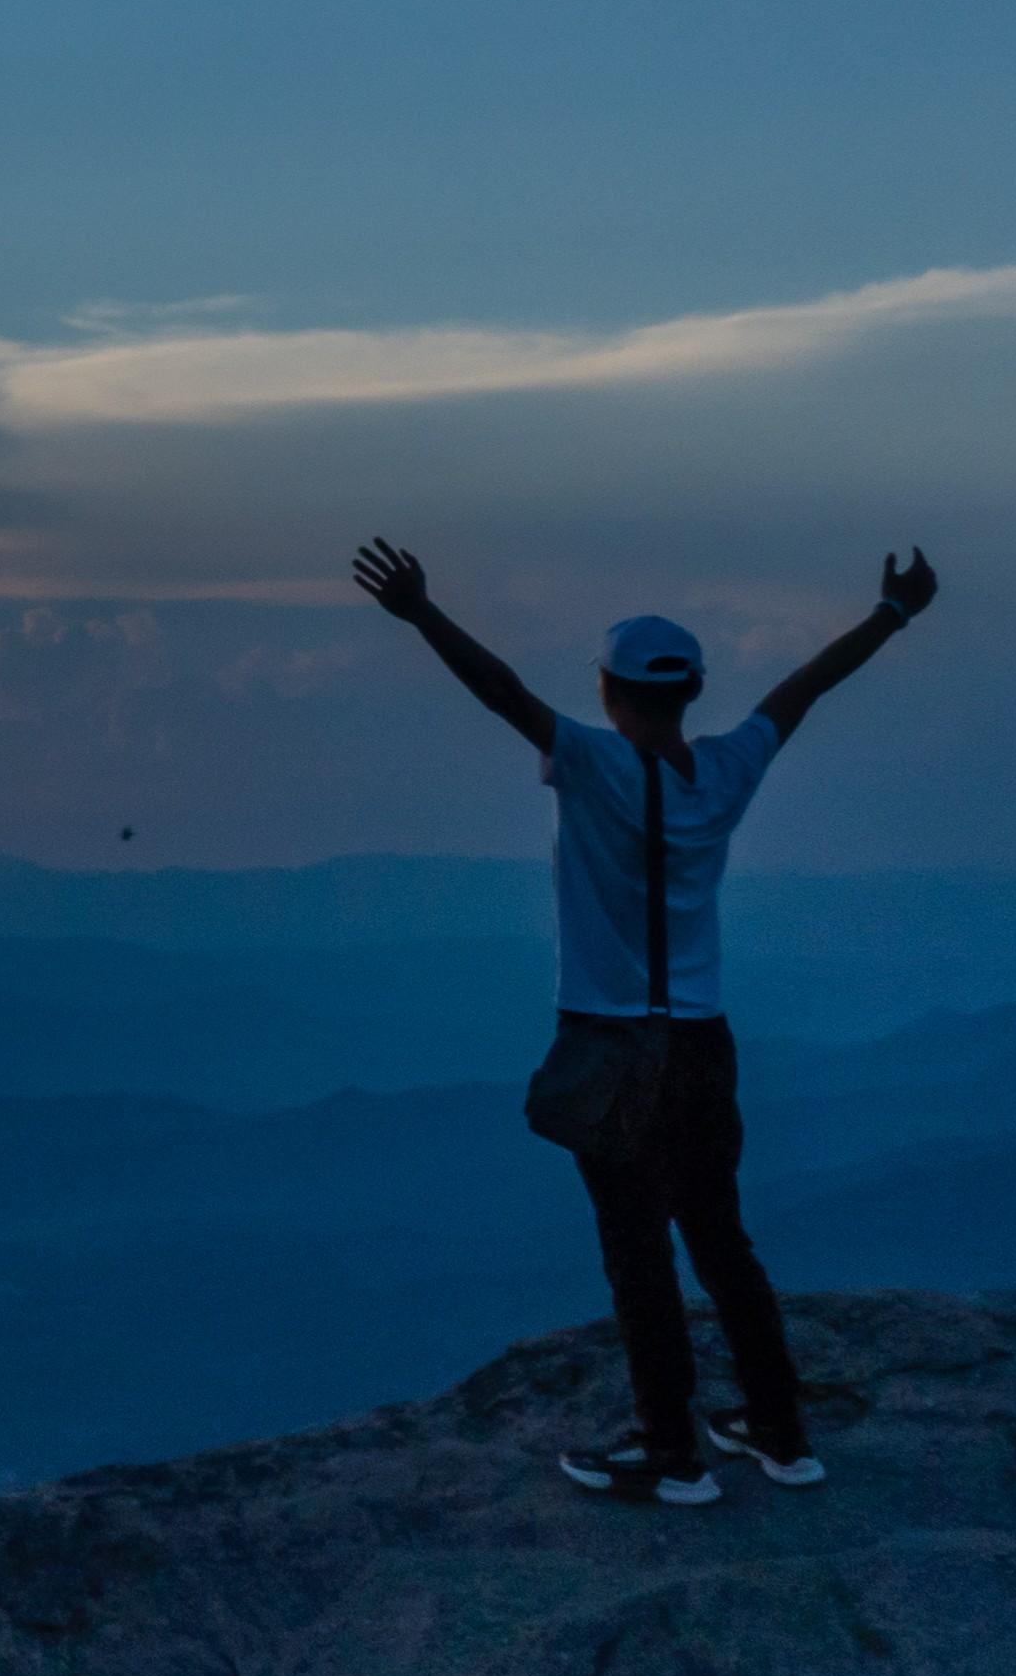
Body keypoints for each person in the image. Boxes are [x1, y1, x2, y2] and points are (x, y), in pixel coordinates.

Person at [349, 537, 941, 1507]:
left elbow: (500, 691)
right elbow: (804, 688)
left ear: (608, 689)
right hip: (704, 1044)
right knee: (721, 1240)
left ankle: (670, 1453)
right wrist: (893, 612)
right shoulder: (730, 770)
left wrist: (420, 612)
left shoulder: (588, 762)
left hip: (611, 1043)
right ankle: (781, 1434)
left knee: (636, 1251)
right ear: (695, 689)